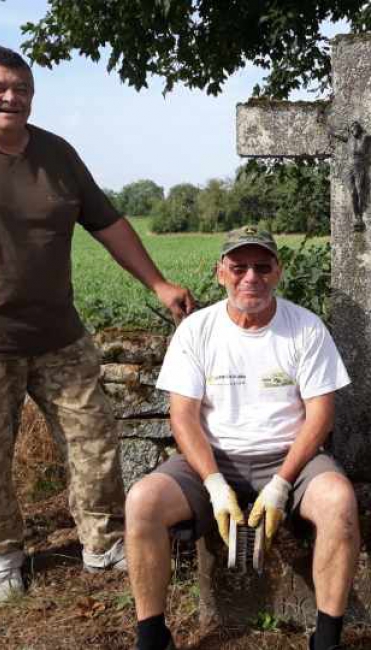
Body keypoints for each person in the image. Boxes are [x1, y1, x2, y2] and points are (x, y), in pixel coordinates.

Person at [0, 45, 195, 601]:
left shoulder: (57, 155)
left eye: (22, 89)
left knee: (95, 439)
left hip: (61, 337)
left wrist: (158, 283)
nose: (12, 98)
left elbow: (109, 225)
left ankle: (103, 542)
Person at [125, 226, 358, 650]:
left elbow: (321, 414)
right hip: (212, 459)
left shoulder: (306, 328)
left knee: (339, 502)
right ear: (220, 273)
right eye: (239, 267)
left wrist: (282, 483)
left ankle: (327, 640)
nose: (250, 277)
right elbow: (183, 416)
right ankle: (151, 635)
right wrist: (214, 484)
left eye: (262, 266)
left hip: (291, 458)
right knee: (142, 501)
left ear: (277, 272)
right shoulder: (196, 330)